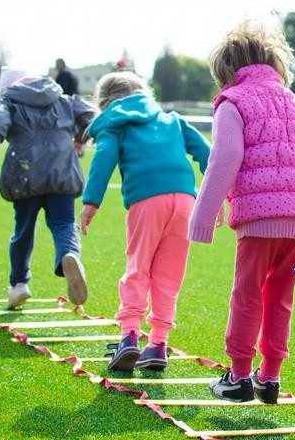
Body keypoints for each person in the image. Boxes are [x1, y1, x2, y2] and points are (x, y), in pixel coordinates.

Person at [188, 20, 295, 403]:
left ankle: (237, 377)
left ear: (227, 72)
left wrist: (204, 215)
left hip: (260, 216)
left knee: (247, 294)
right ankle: (269, 377)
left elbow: (226, 157)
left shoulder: (233, 102)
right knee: (279, 297)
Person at [80, 72, 210, 372]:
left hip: (147, 200)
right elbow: (209, 154)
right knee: (169, 274)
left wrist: (91, 201)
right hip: (185, 201)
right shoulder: (172, 120)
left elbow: (104, 157)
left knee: (138, 267)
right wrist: (216, 196)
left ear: (104, 103)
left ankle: (129, 337)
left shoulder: (115, 123)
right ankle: (158, 344)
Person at [0, 67, 94, 309]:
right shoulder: (61, 97)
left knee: (24, 228)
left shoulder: (9, 100)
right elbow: (88, 114)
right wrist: (79, 139)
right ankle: (69, 254)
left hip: (25, 171)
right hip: (63, 169)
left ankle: (19, 284)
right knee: (64, 223)